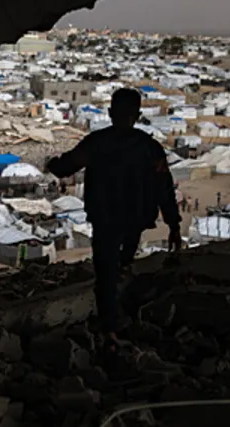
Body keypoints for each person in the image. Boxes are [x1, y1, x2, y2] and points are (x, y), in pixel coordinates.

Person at [45, 88, 181, 350]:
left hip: (105, 219)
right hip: (136, 220)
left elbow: (66, 166)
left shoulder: (97, 143)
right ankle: (123, 318)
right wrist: (173, 225)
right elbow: (164, 187)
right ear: (138, 115)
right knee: (122, 267)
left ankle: (110, 329)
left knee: (105, 275)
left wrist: (51, 163)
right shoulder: (149, 148)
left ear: (109, 113)